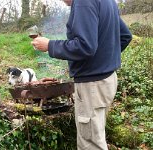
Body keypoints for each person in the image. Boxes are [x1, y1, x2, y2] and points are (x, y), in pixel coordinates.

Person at [31, 0, 132, 149]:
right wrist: (104, 62)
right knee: (96, 135)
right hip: (107, 80)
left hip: (92, 86)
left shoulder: (83, 2)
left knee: (90, 144)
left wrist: (50, 45)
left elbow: (85, 46)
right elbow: (125, 36)